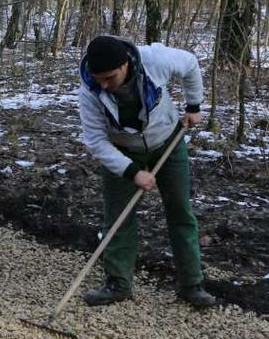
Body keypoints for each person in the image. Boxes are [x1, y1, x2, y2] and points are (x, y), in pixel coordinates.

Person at [77, 34, 217, 309]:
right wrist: (132, 172)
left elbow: (190, 64)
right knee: (118, 216)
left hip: (168, 141)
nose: (104, 85)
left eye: (110, 77)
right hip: (122, 151)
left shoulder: (154, 60)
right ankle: (118, 283)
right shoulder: (90, 90)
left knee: (180, 212)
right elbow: (95, 140)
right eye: (99, 79)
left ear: (125, 65)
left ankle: (192, 284)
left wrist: (193, 105)